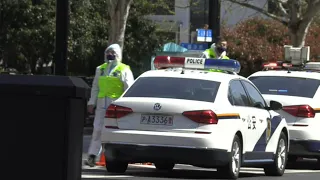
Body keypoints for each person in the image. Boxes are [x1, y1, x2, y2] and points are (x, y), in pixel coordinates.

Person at [85, 43, 135, 167]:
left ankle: (116, 157)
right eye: (108, 52)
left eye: (113, 52)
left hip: (116, 105)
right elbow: (95, 87)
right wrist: (92, 102)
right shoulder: (100, 69)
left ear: (118, 54)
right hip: (102, 105)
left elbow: (128, 88)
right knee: (97, 129)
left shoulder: (124, 69)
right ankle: (92, 156)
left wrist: (127, 104)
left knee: (115, 131)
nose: (110, 55)